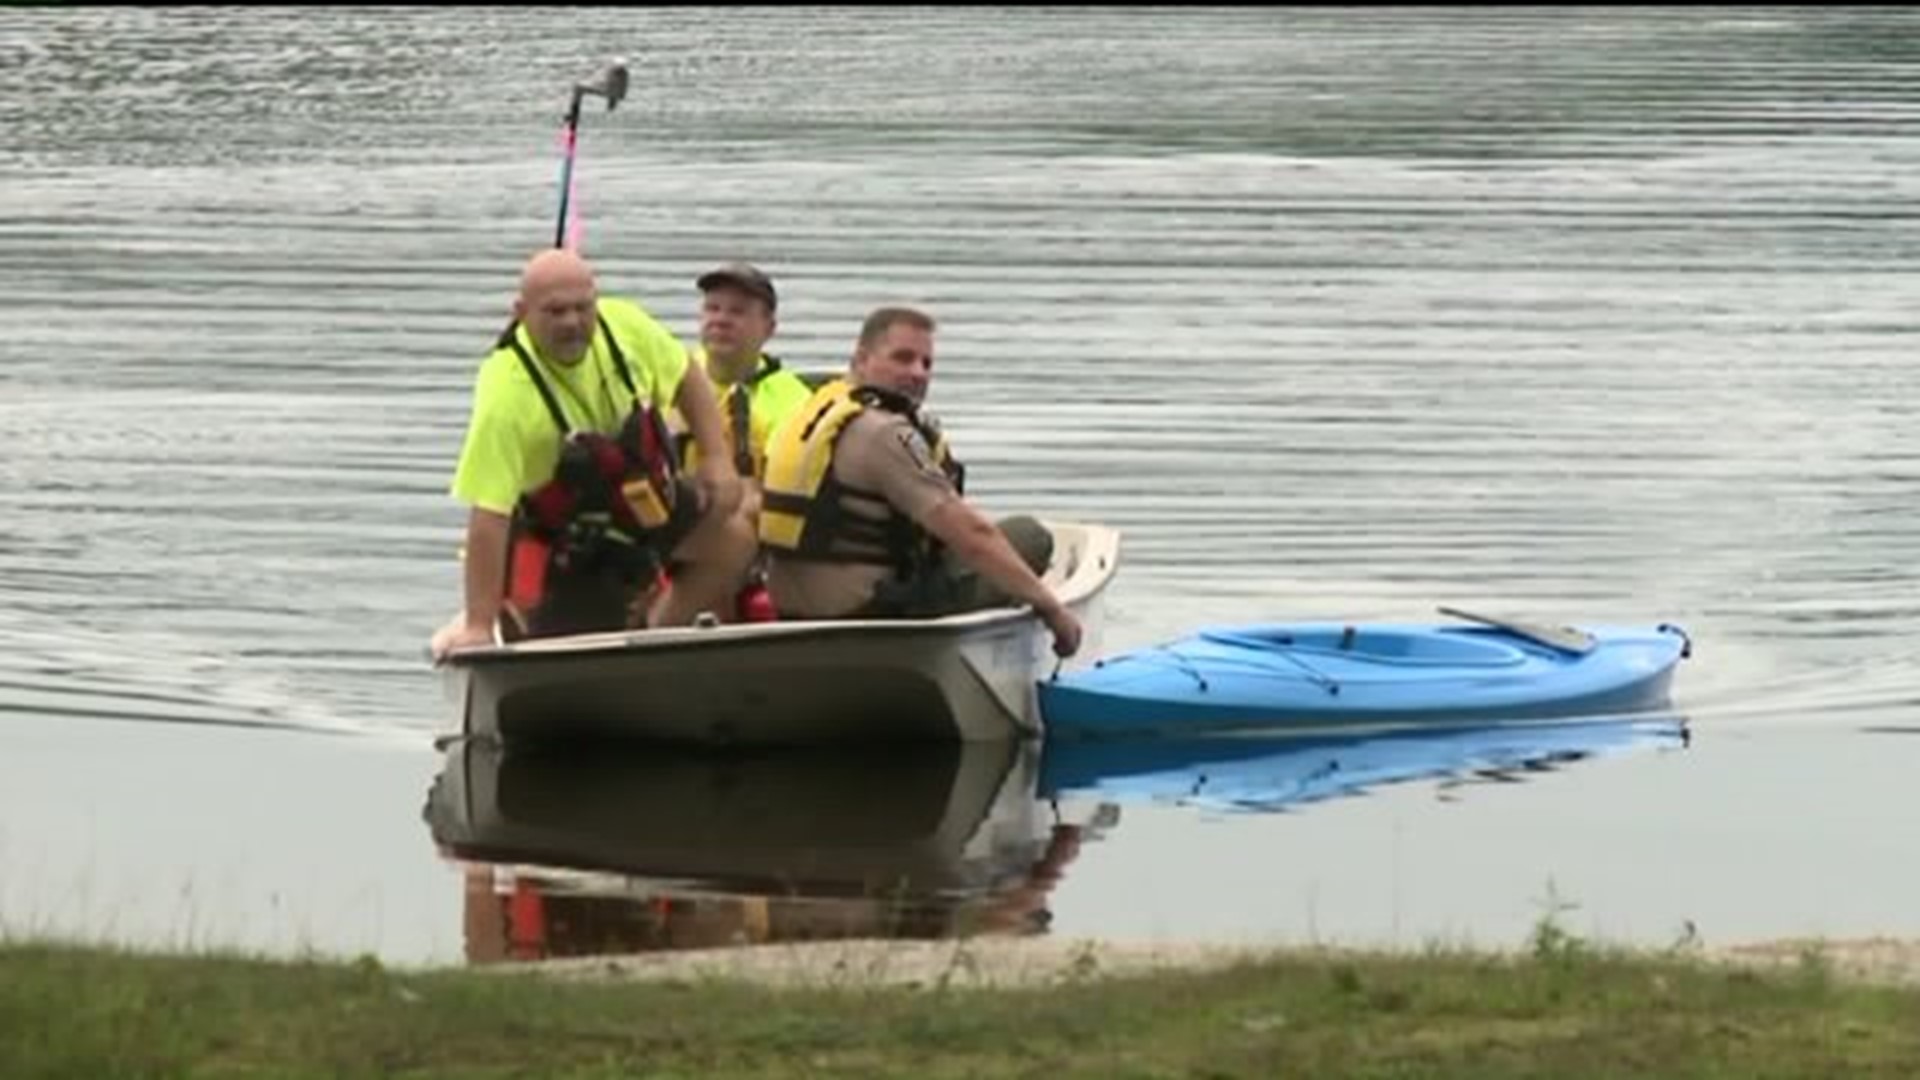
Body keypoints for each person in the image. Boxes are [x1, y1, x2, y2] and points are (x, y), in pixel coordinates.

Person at [429, 249, 754, 659]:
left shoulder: (624, 326)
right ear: (521, 313)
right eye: (555, 311)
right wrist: (479, 624)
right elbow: (488, 517)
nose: (572, 322)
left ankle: (657, 634)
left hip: (642, 510)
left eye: (583, 308)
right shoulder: (505, 395)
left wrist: (716, 458)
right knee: (583, 650)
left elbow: (686, 374)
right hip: (569, 550)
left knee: (736, 536)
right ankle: (506, 619)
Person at [758, 306, 1083, 657]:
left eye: (926, 364)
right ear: (861, 359)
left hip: (792, 611)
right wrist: (1052, 609)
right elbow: (972, 536)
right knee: (1028, 535)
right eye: (902, 358)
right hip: (870, 616)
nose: (917, 373)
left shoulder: (812, 413)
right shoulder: (885, 432)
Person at [672, 262, 815, 492]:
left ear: (769, 328)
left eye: (737, 312)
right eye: (712, 308)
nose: (721, 320)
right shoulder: (669, 375)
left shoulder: (795, 404)